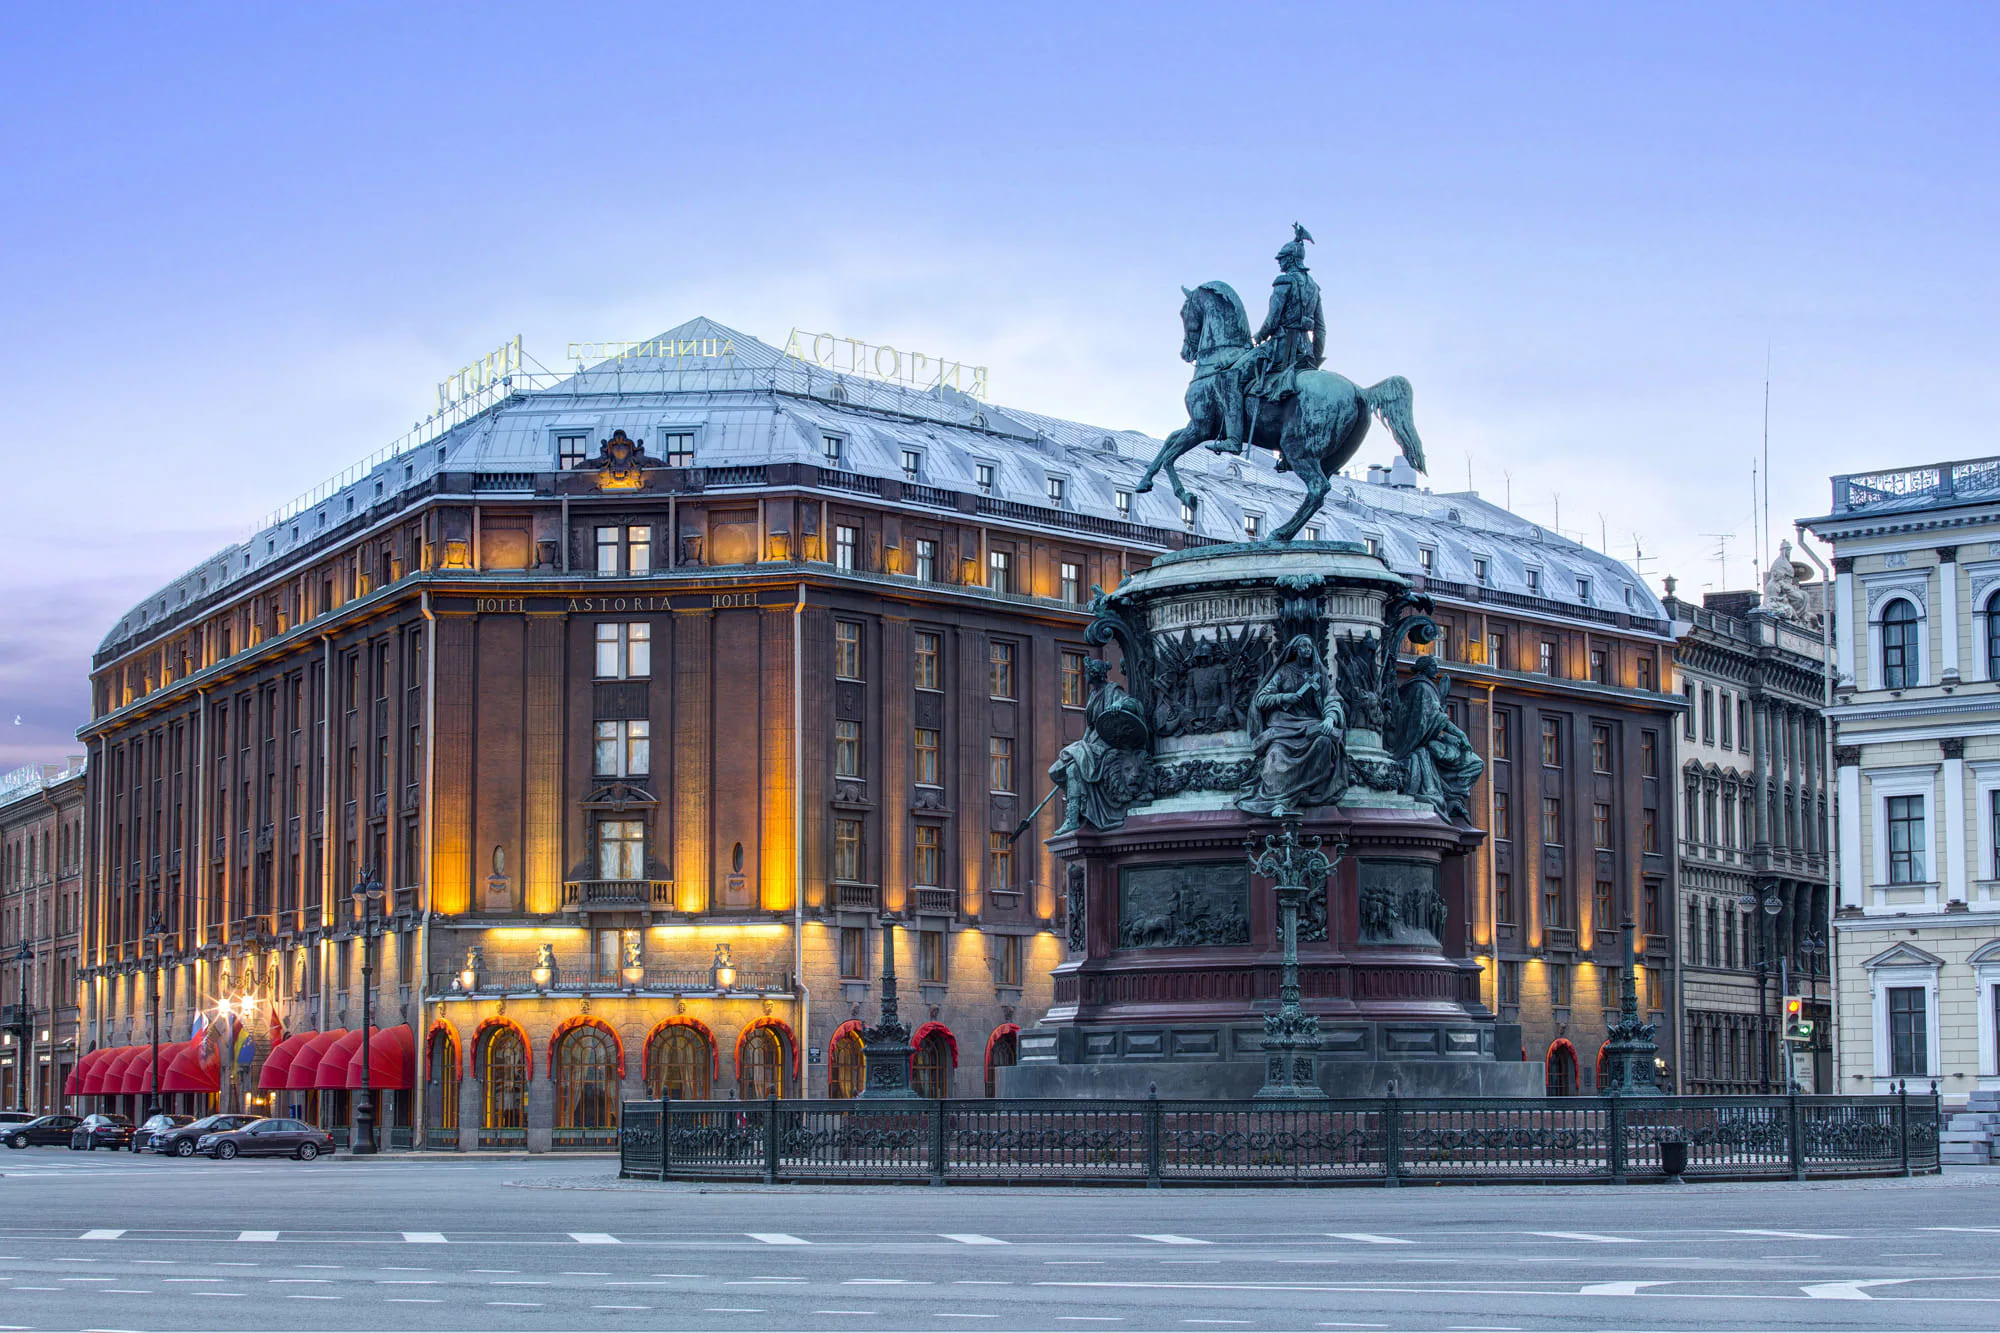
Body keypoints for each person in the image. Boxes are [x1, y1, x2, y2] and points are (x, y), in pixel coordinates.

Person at [1238, 634, 1346, 817]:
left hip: (1312, 725)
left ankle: (1305, 793)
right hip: (1283, 727)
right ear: (1295, 650)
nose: (1307, 650)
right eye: (1303, 646)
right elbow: (1261, 699)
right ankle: (1278, 800)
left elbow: (1331, 698)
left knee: (1325, 743)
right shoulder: (1283, 672)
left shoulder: (1318, 674)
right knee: (1275, 754)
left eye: (1309, 647)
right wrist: (1284, 697)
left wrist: (1330, 718)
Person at [1050, 659, 1151, 833]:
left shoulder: (1113, 690)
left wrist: (1119, 705)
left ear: (1094, 674)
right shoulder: (1093, 695)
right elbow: (1091, 726)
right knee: (1058, 769)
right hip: (1093, 742)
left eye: (1087, 673)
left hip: (1109, 745)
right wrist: (1082, 744)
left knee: (1073, 768)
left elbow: (1133, 703)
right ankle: (1076, 810)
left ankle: (1072, 817)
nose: (1084, 676)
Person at [1387, 655, 1485, 822]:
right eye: (1433, 666)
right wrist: (1460, 735)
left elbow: (1433, 719)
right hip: (1418, 742)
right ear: (1424, 668)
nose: (1436, 670)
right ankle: (1452, 796)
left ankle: (1454, 797)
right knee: (1473, 762)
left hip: (1428, 739)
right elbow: (1435, 719)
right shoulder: (1422, 687)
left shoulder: (1424, 687)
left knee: (1475, 763)